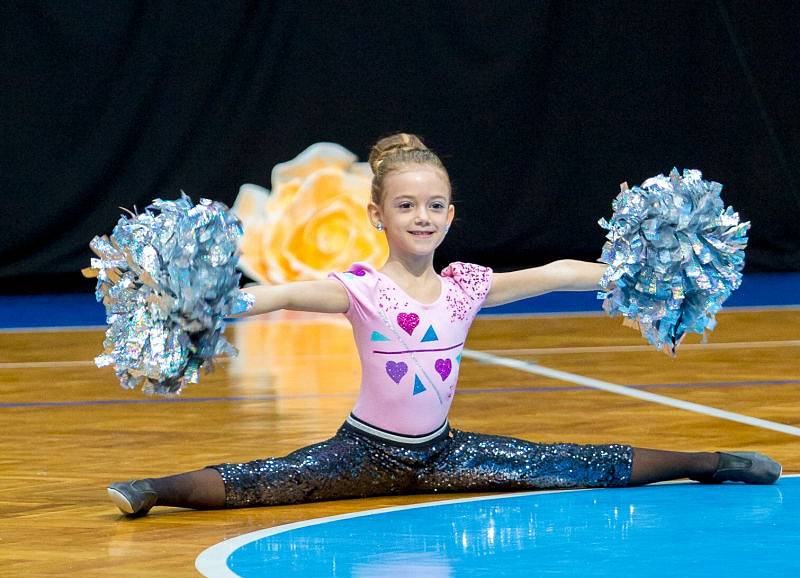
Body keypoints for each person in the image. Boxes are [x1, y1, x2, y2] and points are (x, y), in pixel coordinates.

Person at [107, 133, 781, 517]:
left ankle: (708, 462)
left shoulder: (466, 286)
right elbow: (271, 295)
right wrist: (199, 300)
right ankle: (153, 489)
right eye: (406, 205)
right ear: (377, 215)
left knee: (576, 463)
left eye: (434, 205)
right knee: (256, 480)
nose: (421, 216)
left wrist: (632, 270)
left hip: (447, 453)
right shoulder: (358, 287)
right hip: (361, 453)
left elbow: (554, 272)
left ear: (451, 215)